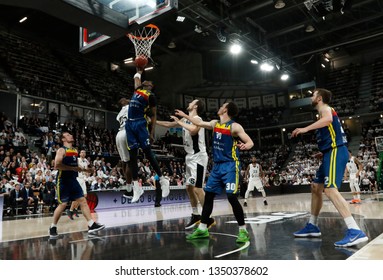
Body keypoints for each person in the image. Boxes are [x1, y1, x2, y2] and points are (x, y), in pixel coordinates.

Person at [291, 88, 368, 247]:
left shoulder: (326, 109)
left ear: (319, 98)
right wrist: (323, 153)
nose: (311, 97)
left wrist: (305, 129)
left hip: (335, 151)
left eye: (313, 95)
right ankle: (312, 225)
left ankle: (355, 230)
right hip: (329, 152)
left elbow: (328, 120)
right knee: (315, 187)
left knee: (330, 189)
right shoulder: (322, 113)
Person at [176, 102, 254, 243]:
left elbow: (250, 142)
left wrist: (245, 146)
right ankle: (203, 229)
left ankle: (243, 230)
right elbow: (198, 123)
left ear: (226, 109)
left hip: (230, 165)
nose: (219, 107)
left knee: (231, 197)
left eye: (222, 105)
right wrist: (184, 116)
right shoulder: (214, 123)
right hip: (217, 167)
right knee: (209, 195)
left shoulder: (235, 126)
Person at [157, 99, 212, 229]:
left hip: (199, 157)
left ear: (196, 106)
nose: (189, 103)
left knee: (198, 188)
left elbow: (193, 130)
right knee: (188, 187)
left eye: (191, 102)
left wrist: (180, 121)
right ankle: (196, 214)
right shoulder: (185, 120)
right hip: (189, 157)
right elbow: (168, 124)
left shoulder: (198, 119)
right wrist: (153, 122)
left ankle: (207, 218)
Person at [125, 68, 170, 203]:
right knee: (132, 156)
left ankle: (162, 179)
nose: (146, 81)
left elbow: (154, 115)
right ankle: (136, 187)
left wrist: (152, 132)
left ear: (150, 86)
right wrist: (138, 71)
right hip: (130, 124)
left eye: (149, 82)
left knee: (148, 153)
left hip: (140, 123)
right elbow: (136, 79)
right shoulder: (137, 90)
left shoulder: (150, 96)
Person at [49, 131, 104, 239]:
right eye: (68, 135)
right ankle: (53, 227)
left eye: (71, 134)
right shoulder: (61, 150)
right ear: (63, 139)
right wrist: (72, 168)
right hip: (63, 181)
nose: (71, 135)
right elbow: (57, 165)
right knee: (63, 205)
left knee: (83, 200)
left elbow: (77, 166)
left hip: (73, 180)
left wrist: (87, 170)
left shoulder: (74, 151)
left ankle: (91, 224)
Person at [115, 98, 133, 197]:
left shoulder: (120, 113)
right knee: (129, 161)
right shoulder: (129, 107)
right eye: (124, 99)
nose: (126, 99)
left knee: (124, 161)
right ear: (122, 103)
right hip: (126, 133)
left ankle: (128, 185)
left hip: (119, 134)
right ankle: (129, 188)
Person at [67, 150, 89, 219]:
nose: (83, 153)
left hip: (83, 179)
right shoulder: (77, 159)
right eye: (82, 152)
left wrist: (87, 174)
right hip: (78, 178)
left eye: (84, 152)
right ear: (79, 154)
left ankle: (75, 209)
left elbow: (86, 169)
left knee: (84, 195)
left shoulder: (86, 161)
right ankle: (70, 210)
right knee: (77, 196)